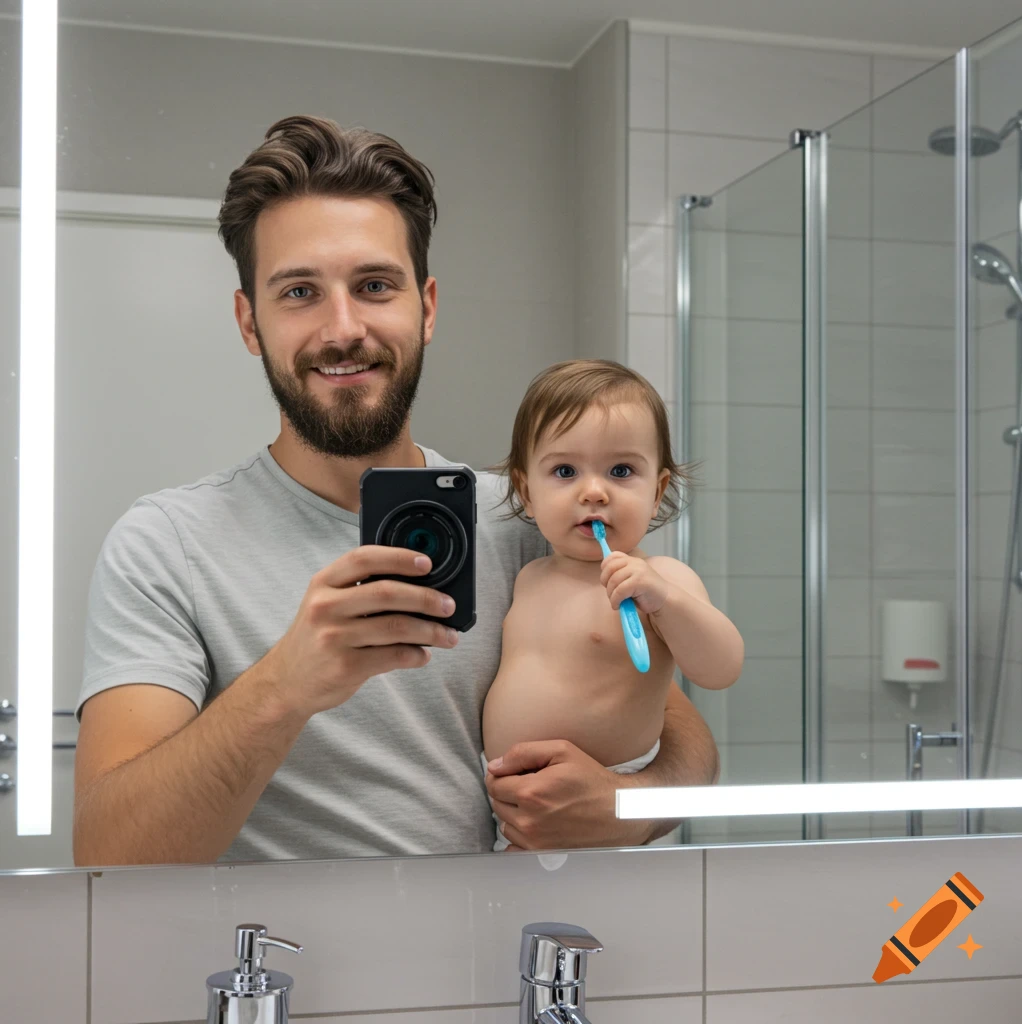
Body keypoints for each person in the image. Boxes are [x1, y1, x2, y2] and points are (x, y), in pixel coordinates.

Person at [72, 115, 720, 865]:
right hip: (274, 976)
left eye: (374, 285)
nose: (343, 328)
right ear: (250, 322)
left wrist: (627, 806)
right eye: (300, 292)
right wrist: (285, 684)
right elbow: (107, 851)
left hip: (487, 970)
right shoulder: (166, 546)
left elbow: (676, 729)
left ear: (428, 307)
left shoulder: (528, 522)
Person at [482, 360, 743, 851]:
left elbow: (721, 668)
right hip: (510, 799)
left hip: (608, 788)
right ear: (526, 492)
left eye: (621, 471)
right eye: (565, 471)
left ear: (658, 490)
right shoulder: (530, 575)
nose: (595, 491)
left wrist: (665, 601)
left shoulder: (661, 578)